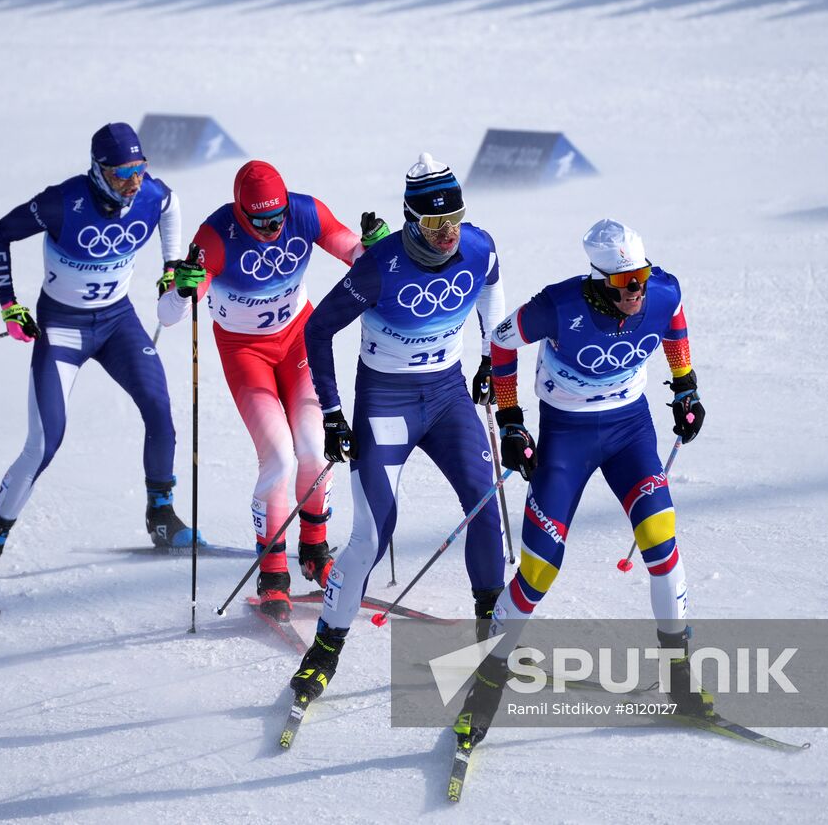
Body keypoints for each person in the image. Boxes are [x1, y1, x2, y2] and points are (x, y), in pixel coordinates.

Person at [452, 218, 711, 750]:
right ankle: (488, 680)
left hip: (630, 430)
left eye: (639, 277)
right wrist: (511, 420)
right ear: (597, 280)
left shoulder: (660, 291)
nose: (636, 292)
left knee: (662, 545)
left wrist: (685, 385)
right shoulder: (559, 305)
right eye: (622, 284)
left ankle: (680, 676)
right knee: (539, 570)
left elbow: (674, 317)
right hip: (567, 436)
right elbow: (502, 343)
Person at [288, 153, 506, 704]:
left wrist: (489, 355)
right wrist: (334, 412)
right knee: (374, 529)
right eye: (435, 225)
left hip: (448, 396)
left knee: (484, 504)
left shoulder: (478, 245)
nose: (448, 234)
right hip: (386, 403)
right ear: (411, 220)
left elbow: (491, 284)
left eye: (454, 219)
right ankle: (326, 649)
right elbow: (318, 332)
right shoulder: (378, 267)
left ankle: (492, 635)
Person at [0, 122, 194, 585]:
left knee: (160, 409)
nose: (134, 183)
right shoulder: (61, 203)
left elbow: (169, 205)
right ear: (97, 170)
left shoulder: (151, 194)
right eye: (122, 174)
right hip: (63, 329)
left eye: (140, 170)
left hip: (117, 324)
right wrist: (9, 304)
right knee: (45, 442)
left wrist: (170, 268)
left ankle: (162, 515)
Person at [158, 160, 390, 618]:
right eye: (261, 221)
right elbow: (169, 315)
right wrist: (181, 289)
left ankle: (315, 550)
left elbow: (356, 257)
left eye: (278, 217)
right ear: (242, 214)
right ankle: (273, 571)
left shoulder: (305, 213)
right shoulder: (215, 236)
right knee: (280, 457)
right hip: (246, 354)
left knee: (316, 448)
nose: (272, 228)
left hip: (298, 342)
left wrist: (381, 249)